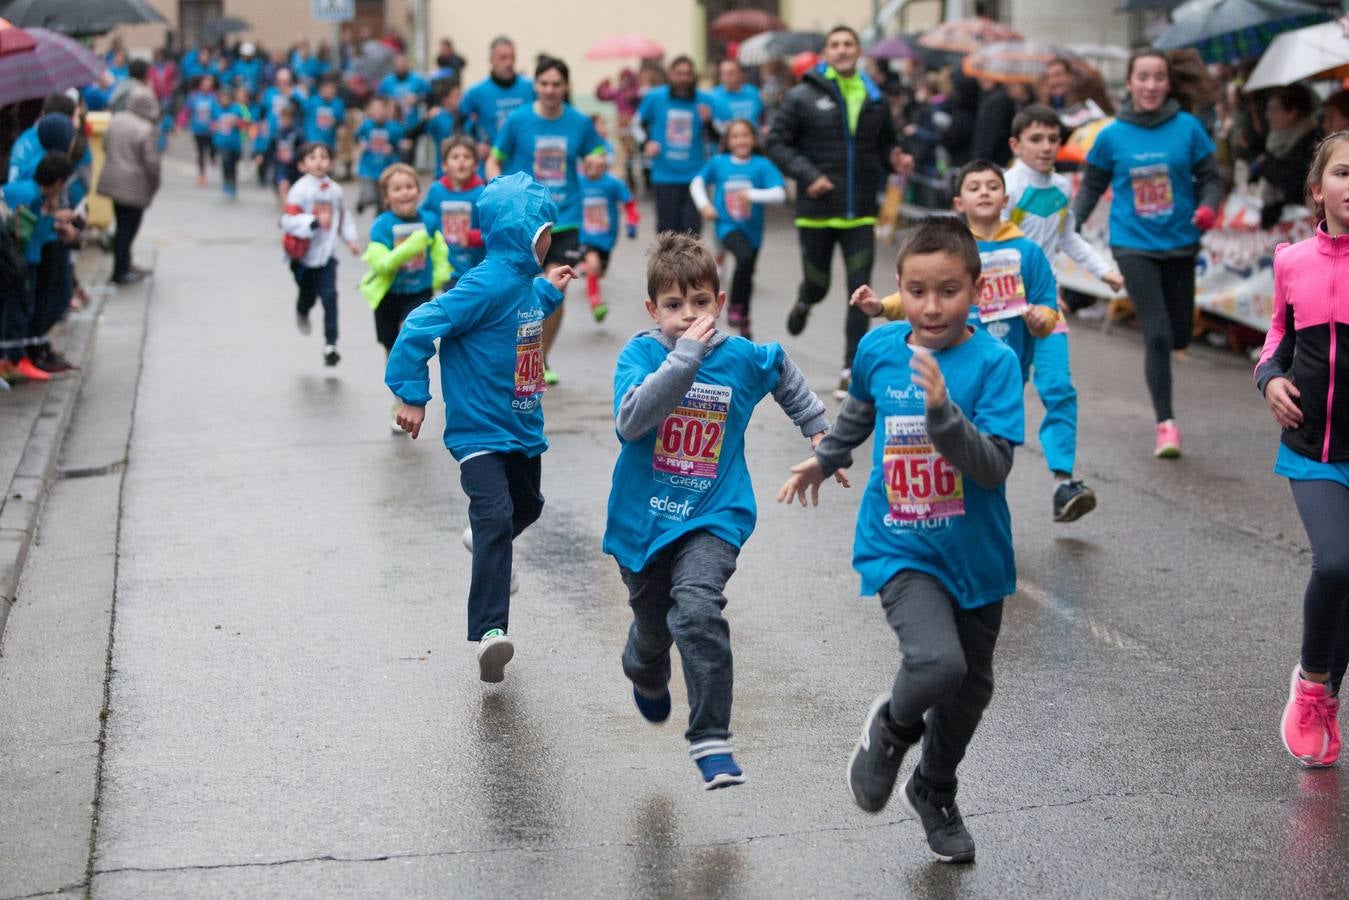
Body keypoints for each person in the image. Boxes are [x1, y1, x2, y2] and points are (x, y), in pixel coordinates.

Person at [778, 217, 1024, 865]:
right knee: (936, 663)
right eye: (917, 290)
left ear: (975, 288)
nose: (931, 306)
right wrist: (827, 456)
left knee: (971, 688)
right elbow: (861, 407)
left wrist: (944, 416)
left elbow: (993, 467)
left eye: (948, 290)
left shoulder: (995, 365)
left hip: (975, 553)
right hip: (900, 543)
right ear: (899, 289)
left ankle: (933, 789)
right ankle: (889, 732)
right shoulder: (881, 348)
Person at [605, 231, 833, 789]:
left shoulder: (738, 359)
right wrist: (682, 360)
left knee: (698, 612)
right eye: (674, 306)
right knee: (654, 630)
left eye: (700, 303)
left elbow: (779, 369)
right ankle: (644, 665)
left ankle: (710, 737)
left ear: (721, 303)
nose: (688, 317)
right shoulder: (641, 355)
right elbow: (631, 421)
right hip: (645, 524)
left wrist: (820, 431)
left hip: (713, 515)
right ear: (652, 310)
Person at [385, 173, 575, 683]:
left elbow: (525, 308)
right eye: (543, 231)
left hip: (522, 424)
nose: (549, 240)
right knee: (494, 517)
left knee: (527, 506)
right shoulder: (484, 282)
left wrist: (551, 292)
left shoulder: (520, 281)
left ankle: (487, 542)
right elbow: (420, 325)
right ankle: (492, 633)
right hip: (478, 432)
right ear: (520, 230)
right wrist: (411, 394)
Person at [1072, 49, 1224, 459]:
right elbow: (1090, 185)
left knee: (1179, 334)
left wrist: (1208, 206)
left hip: (1179, 241)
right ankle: (1166, 425)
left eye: (1159, 77)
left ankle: (1167, 408)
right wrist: (1071, 224)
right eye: (1143, 77)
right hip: (1133, 244)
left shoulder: (1188, 128)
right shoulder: (1111, 135)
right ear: (1131, 83)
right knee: (1156, 335)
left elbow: (1211, 178)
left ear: (1168, 83)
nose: (1151, 85)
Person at [1258, 132, 1349, 768]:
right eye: (1345, 172)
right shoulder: (1292, 261)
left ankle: (1327, 699)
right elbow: (1277, 337)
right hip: (1313, 446)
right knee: (1338, 564)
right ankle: (1313, 682)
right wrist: (1270, 379)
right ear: (1318, 189)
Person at [765, 24, 912, 399]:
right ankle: (805, 301)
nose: (843, 50)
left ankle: (850, 367)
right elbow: (776, 143)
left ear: (858, 50)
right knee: (820, 284)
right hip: (816, 211)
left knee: (858, 290)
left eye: (849, 44)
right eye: (836, 44)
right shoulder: (801, 95)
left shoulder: (874, 96)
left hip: (860, 211)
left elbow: (884, 148)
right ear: (826, 53)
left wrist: (896, 160)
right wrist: (808, 176)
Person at [1001, 105, 1123, 520]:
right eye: (1037, 139)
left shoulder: (1061, 188)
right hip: (1002, 309)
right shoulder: (1004, 188)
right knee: (1003, 394)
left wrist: (1105, 271)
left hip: (1047, 306)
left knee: (1059, 389)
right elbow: (986, 247)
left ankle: (1062, 482)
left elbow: (1069, 238)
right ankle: (985, 476)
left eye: (1054, 139)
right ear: (1016, 145)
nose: (1047, 147)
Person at [488, 55, 605, 385]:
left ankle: (540, 357)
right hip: (526, 219)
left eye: (556, 84)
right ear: (535, 86)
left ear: (566, 86)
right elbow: (494, 159)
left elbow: (597, 152)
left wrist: (598, 162)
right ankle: (522, 352)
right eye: (544, 83)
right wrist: (496, 188)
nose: (550, 90)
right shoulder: (518, 120)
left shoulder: (579, 123)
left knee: (557, 287)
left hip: (565, 218)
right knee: (525, 288)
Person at [360, 163, 449, 429]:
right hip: (389, 295)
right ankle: (399, 399)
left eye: (410, 187)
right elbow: (382, 264)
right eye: (397, 189)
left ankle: (411, 395)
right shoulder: (382, 225)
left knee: (408, 336)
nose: (405, 193)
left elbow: (440, 253)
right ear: (386, 196)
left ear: (418, 191)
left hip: (418, 292)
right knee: (392, 347)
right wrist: (412, 246)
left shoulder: (429, 221)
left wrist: (441, 279)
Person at [689, 119, 785, 339]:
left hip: (753, 229)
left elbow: (779, 194)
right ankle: (734, 305)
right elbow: (696, 183)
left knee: (747, 270)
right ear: (727, 141)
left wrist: (752, 194)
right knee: (743, 258)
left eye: (745, 135)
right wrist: (704, 205)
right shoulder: (719, 162)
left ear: (753, 138)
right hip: (726, 225)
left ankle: (745, 319)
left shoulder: (761, 165)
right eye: (735, 136)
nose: (740, 140)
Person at [0, 153, 76, 384]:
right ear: (58, 183)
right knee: (20, 308)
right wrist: (56, 222)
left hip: (15, 260)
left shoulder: (22, 189)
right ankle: (11, 361)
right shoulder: (33, 196)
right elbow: (30, 231)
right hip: (22, 261)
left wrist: (52, 214)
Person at [281, 142, 360, 366]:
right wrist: (313, 222)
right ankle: (302, 310)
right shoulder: (299, 190)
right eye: (313, 157)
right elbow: (287, 220)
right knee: (308, 295)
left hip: (326, 256)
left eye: (323, 156)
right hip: (303, 256)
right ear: (302, 164)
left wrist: (350, 239)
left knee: (330, 297)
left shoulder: (335, 190)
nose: (319, 161)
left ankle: (331, 344)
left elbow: (343, 217)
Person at [634, 56, 715, 236]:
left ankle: (690, 266)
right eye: (679, 74)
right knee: (667, 235)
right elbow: (635, 124)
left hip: (695, 177)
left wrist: (709, 122)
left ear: (694, 77)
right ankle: (667, 266)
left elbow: (719, 134)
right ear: (670, 75)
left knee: (692, 234)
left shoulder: (704, 100)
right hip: (665, 176)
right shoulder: (655, 97)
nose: (683, 78)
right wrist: (646, 143)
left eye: (687, 74)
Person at [96, 90, 161, 286]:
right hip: (134, 185)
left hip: (112, 180)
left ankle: (124, 265)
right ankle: (120, 271)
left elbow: (105, 146)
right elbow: (151, 162)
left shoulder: (116, 120)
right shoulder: (145, 128)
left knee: (121, 225)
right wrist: (155, 183)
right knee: (129, 228)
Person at [420, 135, 487, 288]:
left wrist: (472, 237)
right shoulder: (436, 190)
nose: (461, 161)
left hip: (474, 268)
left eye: (467, 157)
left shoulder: (482, 193)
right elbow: (423, 217)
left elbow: (491, 229)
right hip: (447, 267)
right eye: (455, 157)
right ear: (444, 165)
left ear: (476, 165)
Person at [1251, 84, 1321, 229]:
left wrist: (1266, 164)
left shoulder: (1310, 141)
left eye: (1273, 109)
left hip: (1303, 221)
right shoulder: (1277, 139)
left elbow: (1294, 182)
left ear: (1292, 113)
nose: (1267, 114)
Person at [578, 153, 638, 321]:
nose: (594, 170)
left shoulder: (612, 184)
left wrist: (632, 221)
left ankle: (589, 270)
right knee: (593, 264)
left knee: (599, 272)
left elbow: (629, 202)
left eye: (599, 167)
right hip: (584, 235)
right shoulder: (578, 183)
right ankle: (596, 304)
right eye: (590, 166)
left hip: (606, 237)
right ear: (584, 166)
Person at [460, 36, 535, 166]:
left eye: (512, 57)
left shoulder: (531, 88)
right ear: (491, 60)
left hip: (526, 164)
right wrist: (474, 146)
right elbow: (458, 126)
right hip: (492, 165)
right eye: (503, 58)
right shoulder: (475, 92)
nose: (509, 62)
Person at [354, 97, 405, 214]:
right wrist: (360, 144)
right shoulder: (366, 125)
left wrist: (394, 148)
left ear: (386, 110)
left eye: (380, 108)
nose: (377, 112)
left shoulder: (394, 127)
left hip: (386, 166)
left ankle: (379, 217)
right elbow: (356, 137)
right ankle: (363, 201)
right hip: (368, 166)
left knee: (382, 198)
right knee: (371, 194)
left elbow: (401, 144)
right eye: (374, 109)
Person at [378, 55, 429, 164]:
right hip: (392, 124)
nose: (401, 66)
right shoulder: (387, 82)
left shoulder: (418, 80)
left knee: (408, 156)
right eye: (398, 64)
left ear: (408, 64)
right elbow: (379, 100)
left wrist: (417, 99)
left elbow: (429, 96)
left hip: (412, 124)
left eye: (403, 63)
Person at [257, 103, 303, 203]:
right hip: (281, 166)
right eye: (283, 118)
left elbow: (302, 150)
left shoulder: (298, 134)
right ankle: (287, 209)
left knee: (294, 190)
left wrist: (296, 157)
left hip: (294, 166)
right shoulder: (277, 133)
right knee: (283, 185)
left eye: (288, 118)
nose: (285, 120)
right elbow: (270, 148)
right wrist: (262, 156)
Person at [211, 83, 250, 198]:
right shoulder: (216, 108)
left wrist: (236, 122)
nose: (224, 99)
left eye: (226, 97)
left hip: (235, 143)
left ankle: (233, 183)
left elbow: (246, 123)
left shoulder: (237, 108)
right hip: (222, 142)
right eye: (222, 97)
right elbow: (212, 124)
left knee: (233, 165)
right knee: (225, 162)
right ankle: (226, 182)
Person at [709, 59, 763, 134]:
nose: (727, 77)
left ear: (740, 74)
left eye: (731, 73)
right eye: (724, 74)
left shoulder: (754, 92)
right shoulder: (712, 96)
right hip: (724, 141)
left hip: (752, 140)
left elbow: (763, 116)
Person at [186, 75, 217, 186]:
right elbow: (186, 110)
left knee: (212, 149)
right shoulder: (194, 96)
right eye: (205, 83)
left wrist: (217, 122)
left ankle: (213, 156)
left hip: (211, 130)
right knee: (200, 153)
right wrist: (180, 123)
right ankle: (202, 174)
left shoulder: (214, 97)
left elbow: (217, 112)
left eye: (209, 84)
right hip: (198, 130)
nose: (207, 86)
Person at [302, 75, 346, 150]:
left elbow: (341, 123)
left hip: (329, 144)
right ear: (321, 88)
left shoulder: (338, 104)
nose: (329, 90)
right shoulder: (311, 102)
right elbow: (302, 119)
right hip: (312, 142)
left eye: (332, 87)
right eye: (327, 87)